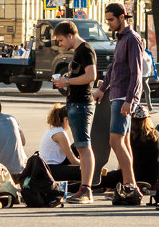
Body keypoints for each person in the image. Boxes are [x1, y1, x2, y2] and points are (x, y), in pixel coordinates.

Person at [94, 3, 146, 203]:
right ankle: (129, 184)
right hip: (116, 95)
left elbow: (137, 73)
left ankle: (131, 186)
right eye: (107, 20)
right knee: (123, 142)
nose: (108, 24)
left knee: (115, 141)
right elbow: (114, 68)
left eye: (111, 20)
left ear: (122, 17)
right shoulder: (121, 38)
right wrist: (102, 89)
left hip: (123, 97)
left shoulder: (132, 39)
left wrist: (130, 100)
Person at [52, 20, 97, 203]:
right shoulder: (79, 52)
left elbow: (91, 76)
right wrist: (66, 78)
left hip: (81, 104)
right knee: (81, 146)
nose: (60, 44)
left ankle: (86, 189)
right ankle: (83, 188)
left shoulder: (85, 50)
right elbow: (81, 75)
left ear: (71, 35)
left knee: (84, 147)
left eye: (61, 40)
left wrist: (67, 82)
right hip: (76, 103)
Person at [101, 104, 159, 194]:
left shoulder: (131, 136)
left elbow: (124, 161)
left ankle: (82, 184)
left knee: (102, 179)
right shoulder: (156, 135)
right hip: (152, 177)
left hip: (132, 175)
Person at [39, 103, 83, 182]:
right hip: (52, 169)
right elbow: (73, 160)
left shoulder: (54, 129)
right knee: (87, 172)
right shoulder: (60, 134)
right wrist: (88, 166)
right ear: (66, 119)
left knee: (79, 144)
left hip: (52, 165)